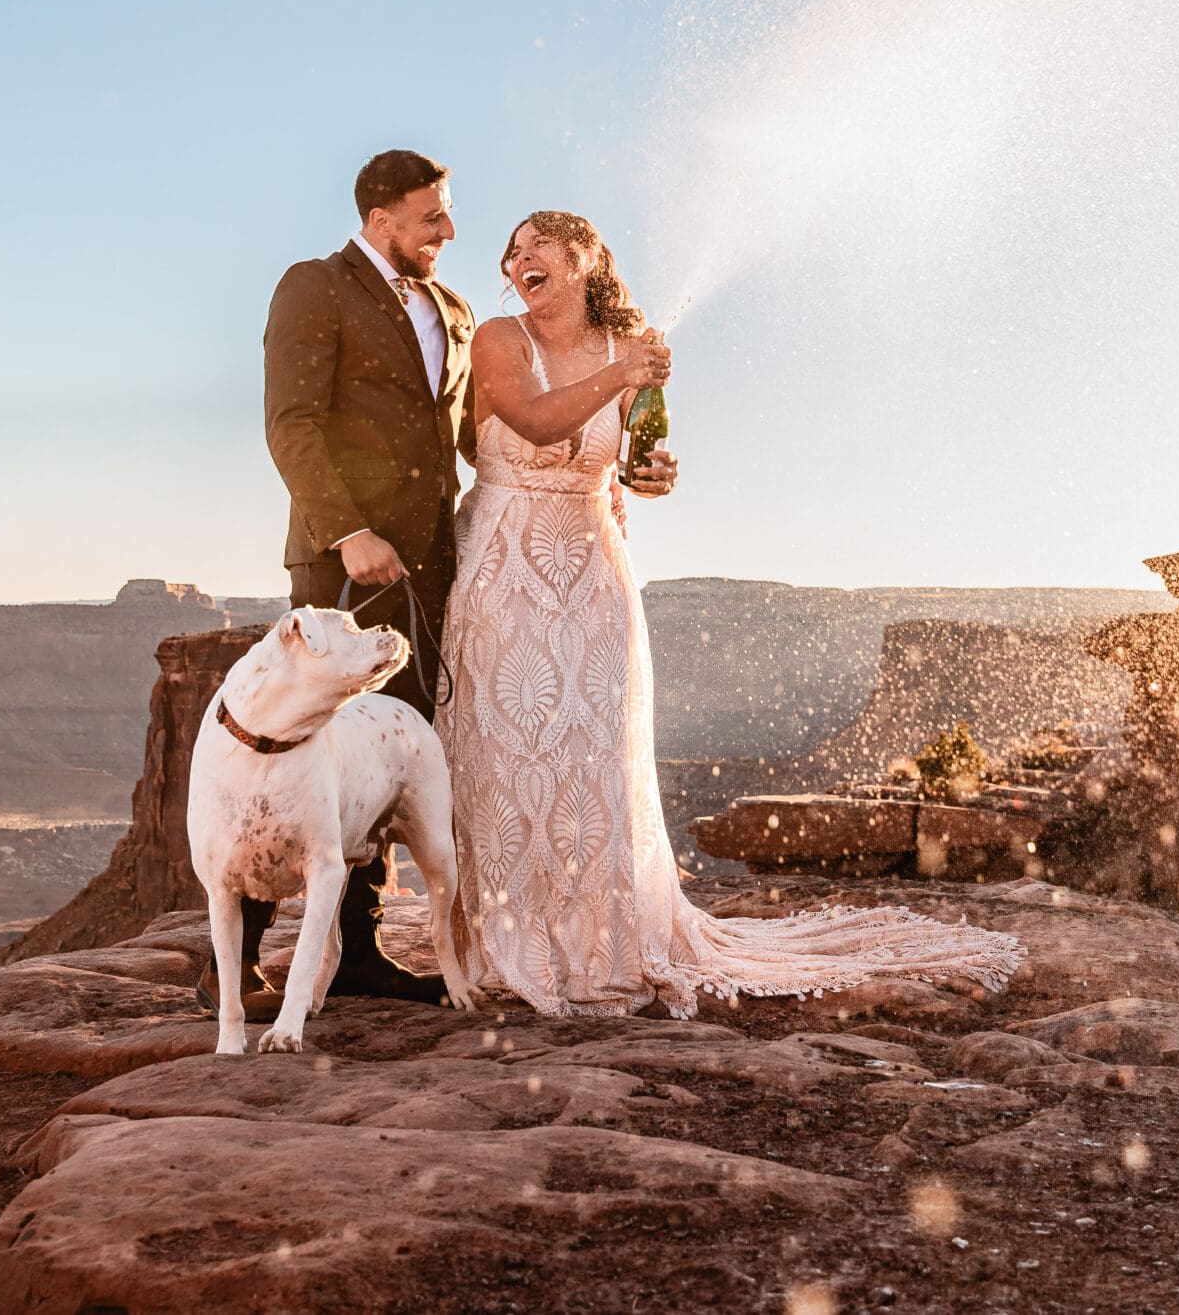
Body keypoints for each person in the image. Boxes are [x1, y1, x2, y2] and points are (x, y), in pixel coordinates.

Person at [435, 210, 1024, 1015]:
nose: (517, 256)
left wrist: (650, 474)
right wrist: (626, 373)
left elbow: (631, 454)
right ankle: (511, 937)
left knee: (591, 754)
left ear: (584, 259)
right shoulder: (501, 337)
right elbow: (536, 421)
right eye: (512, 250)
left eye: (538, 241)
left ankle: (596, 941)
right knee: (507, 748)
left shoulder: (625, 348)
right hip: (507, 562)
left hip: (593, 566)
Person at [223, 148, 475, 1007]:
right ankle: (237, 964)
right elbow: (290, 424)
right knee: (293, 752)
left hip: (428, 569)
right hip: (344, 564)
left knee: (384, 753)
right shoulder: (315, 287)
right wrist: (350, 530)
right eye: (431, 216)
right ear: (380, 220)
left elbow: (472, 436)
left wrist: (612, 466)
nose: (448, 230)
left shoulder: (454, 310)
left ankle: (358, 954)